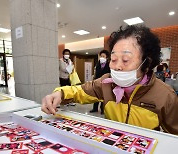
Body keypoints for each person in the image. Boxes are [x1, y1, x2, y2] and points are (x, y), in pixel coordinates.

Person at [42, 25, 178, 135]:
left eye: (125, 60)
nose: (117, 67)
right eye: (113, 60)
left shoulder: (165, 96)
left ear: (147, 63)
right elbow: (79, 91)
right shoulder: (106, 83)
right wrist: (59, 93)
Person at [89, 50, 110, 114]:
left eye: (103, 56)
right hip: (97, 82)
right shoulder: (98, 64)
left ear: (106, 57)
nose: (102, 57)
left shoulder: (109, 64)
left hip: (105, 83)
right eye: (101, 56)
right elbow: (95, 73)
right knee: (96, 95)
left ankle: (102, 109)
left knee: (103, 96)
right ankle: (95, 108)